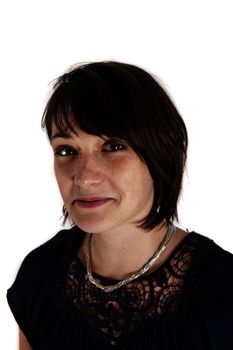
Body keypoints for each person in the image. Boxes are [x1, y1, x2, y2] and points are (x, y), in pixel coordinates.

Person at [7, 60, 233, 350]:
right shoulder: (40, 275)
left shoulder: (224, 292)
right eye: (67, 150)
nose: (84, 177)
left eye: (113, 147)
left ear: (160, 153)